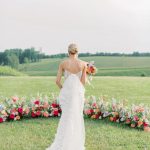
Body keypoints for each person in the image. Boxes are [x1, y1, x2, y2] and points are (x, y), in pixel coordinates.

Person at [46, 43, 87, 150]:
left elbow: (57, 81)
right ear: (77, 52)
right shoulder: (83, 64)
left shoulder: (63, 63)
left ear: (68, 52)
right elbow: (82, 83)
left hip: (67, 94)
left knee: (66, 116)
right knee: (76, 116)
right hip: (77, 94)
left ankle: (63, 142)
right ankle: (75, 143)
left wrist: (64, 89)